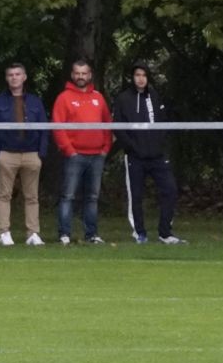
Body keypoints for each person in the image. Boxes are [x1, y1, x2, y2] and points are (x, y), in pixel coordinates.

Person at [111, 62, 184, 245]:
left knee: (170, 189)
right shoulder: (123, 99)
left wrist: (158, 144)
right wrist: (132, 147)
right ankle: (140, 233)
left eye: (144, 75)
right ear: (132, 77)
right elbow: (118, 128)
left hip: (157, 156)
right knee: (136, 195)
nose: (141, 78)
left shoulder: (155, 96)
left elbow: (163, 122)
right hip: (135, 157)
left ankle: (165, 233)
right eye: (137, 74)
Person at [0, 62, 48, 246]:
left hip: (31, 154)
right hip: (6, 154)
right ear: (6, 78)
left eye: (18, 74)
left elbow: (45, 128)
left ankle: (33, 233)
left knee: (32, 196)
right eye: (11, 74)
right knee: (4, 195)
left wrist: (41, 153)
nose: (14, 77)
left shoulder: (35, 101)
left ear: (24, 77)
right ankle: (4, 232)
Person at [52, 58, 113, 245]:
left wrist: (105, 148)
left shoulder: (98, 97)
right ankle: (64, 234)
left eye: (84, 73)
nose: (80, 76)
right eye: (77, 73)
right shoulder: (64, 98)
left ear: (90, 75)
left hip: (97, 155)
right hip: (75, 155)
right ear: (72, 75)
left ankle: (92, 234)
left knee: (92, 198)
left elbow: (108, 124)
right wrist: (69, 150)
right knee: (68, 196)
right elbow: (57, 126)